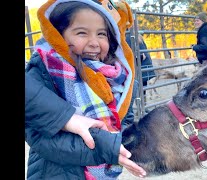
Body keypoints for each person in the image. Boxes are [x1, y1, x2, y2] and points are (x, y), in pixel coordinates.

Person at [25, 0, 146, 179]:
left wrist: (127, 146)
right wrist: (108, 147)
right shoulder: (45, 71)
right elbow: (41, 139)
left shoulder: (117, 79)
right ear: (59, 35)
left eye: (101, 34)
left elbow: (124, 121)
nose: (94, 42)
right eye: (82, 33)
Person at [125, 29, 156, 95]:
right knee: (142, 91)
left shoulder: (128, 37)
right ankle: (143, 103)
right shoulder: (138, 36)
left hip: (138, 69)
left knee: (135, 93)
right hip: (145, 68)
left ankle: (141, 103)